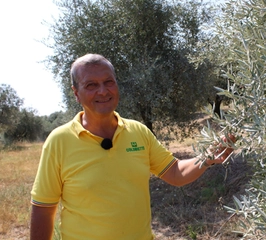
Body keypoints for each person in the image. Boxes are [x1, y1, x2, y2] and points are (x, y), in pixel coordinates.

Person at [30, 53, 234, 240]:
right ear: (76, 93)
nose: (103, 91)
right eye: (91, 85)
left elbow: (174, 172)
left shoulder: (138, 132)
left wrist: (206, 158)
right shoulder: (59, 141)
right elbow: (43, 209)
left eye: (108, 82)